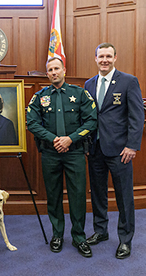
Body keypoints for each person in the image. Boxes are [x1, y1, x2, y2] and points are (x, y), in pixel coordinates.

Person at [27, 57, 97, 258]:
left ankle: (79, 237)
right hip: (50, 153)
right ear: (47, 74)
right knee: (54, 195)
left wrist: (70, 139)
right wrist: (55, 139)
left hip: (74, 152)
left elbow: (91, 121)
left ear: (64, 70)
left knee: (77, 196)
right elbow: (32, 122)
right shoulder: (40, 97)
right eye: (50, 70)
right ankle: (57, 234)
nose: (53, 72)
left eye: (57, 68)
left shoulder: (80, 94)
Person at [84, 43, 144, 259]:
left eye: (109, 56)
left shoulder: (129, 81)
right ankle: (100, 231)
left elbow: (137, 116)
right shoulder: (89, 84)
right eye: (101, 56)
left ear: (115, 58)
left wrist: (132, 145)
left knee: (124, 196)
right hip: (95, 149)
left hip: (120, 150)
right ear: (95, 58)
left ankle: (125, 239)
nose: (105, 60)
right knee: (98, 193)